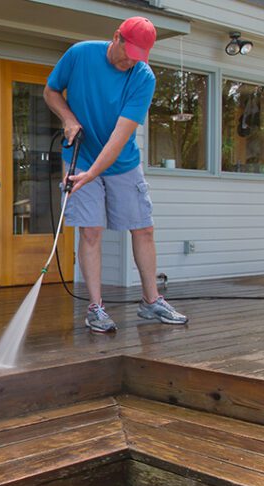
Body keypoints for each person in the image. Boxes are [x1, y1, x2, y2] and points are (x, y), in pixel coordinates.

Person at [43, 16, 187, 333]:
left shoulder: (143, 77)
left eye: (138, 57)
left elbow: (118, 139)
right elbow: (51, 91)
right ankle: (96, 308)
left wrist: (93, 174)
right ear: (116, 37)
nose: (129, 62)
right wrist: (67, 118)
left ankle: (152, 302)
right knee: (91, 231)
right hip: (80, 156)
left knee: (143, 229)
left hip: (120, 161)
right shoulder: (80, 55)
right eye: (127, 53)